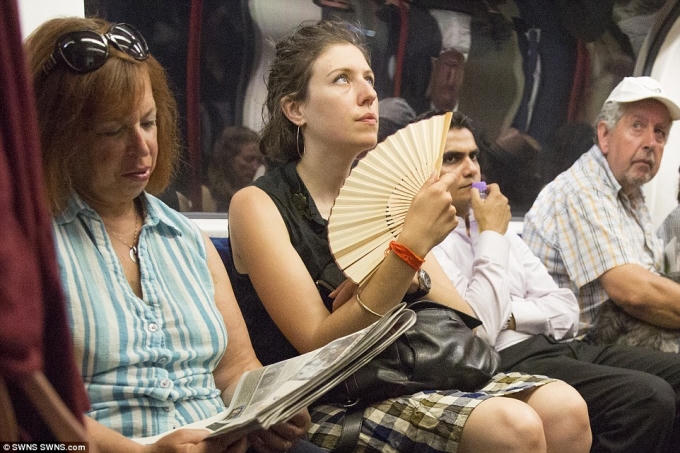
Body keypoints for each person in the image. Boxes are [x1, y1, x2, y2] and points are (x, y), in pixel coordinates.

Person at [228, 20, 591, 453]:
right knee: (512, 427)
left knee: (566, 408)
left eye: (369, 79)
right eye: (341, 79)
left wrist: (402, 274)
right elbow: (317, 342)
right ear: (295, 109)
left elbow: (465, 321)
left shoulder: (384, 197)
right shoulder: (257, 204)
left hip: (409, 371)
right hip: (334, 398)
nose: (368, 94)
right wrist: (408, 251)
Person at [25, 16, 314, 452]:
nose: (141, 147)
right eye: (112, 131)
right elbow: (28, 418)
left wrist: (268, 406)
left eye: (148, 123)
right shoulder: (29, 248)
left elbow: (235, 370)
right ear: (57, 136)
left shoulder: (187, 239)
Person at [433, 110, 680, 453]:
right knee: (648, 397)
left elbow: (565, 309)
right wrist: (491, 235)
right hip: (503, 357)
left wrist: (510, 313)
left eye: (474, 156)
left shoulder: (489, 221)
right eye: (452, 158)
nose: (471, 169)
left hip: (555, 342)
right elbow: (481, 329)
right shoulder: (435, 240)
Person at [523, 76, 680, 350]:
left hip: (618, 337)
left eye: (660, 132)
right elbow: (633, 293)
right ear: (605, 135)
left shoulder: (630, 193)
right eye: (637, 126)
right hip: (574, 349)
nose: (650, 142)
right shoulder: (583, 189)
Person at [204, 125, 264, 212]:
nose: (255, 167)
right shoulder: (207, 197)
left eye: (259, 161)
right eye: (248, 159)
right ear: (228, 159)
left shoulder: (255, 197)